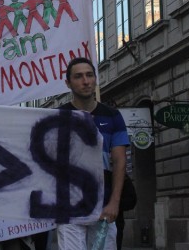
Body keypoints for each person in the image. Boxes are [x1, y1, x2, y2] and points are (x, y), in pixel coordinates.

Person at [56, 57, 129, 250]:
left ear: (96, 79)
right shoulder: (58, 117)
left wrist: (115, 202)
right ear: (68, 82)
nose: (85, 81)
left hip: (103, 205)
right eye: (78, 77)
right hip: (69, 206)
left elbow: (120, 161)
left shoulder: (113, 116)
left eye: (89, 75)